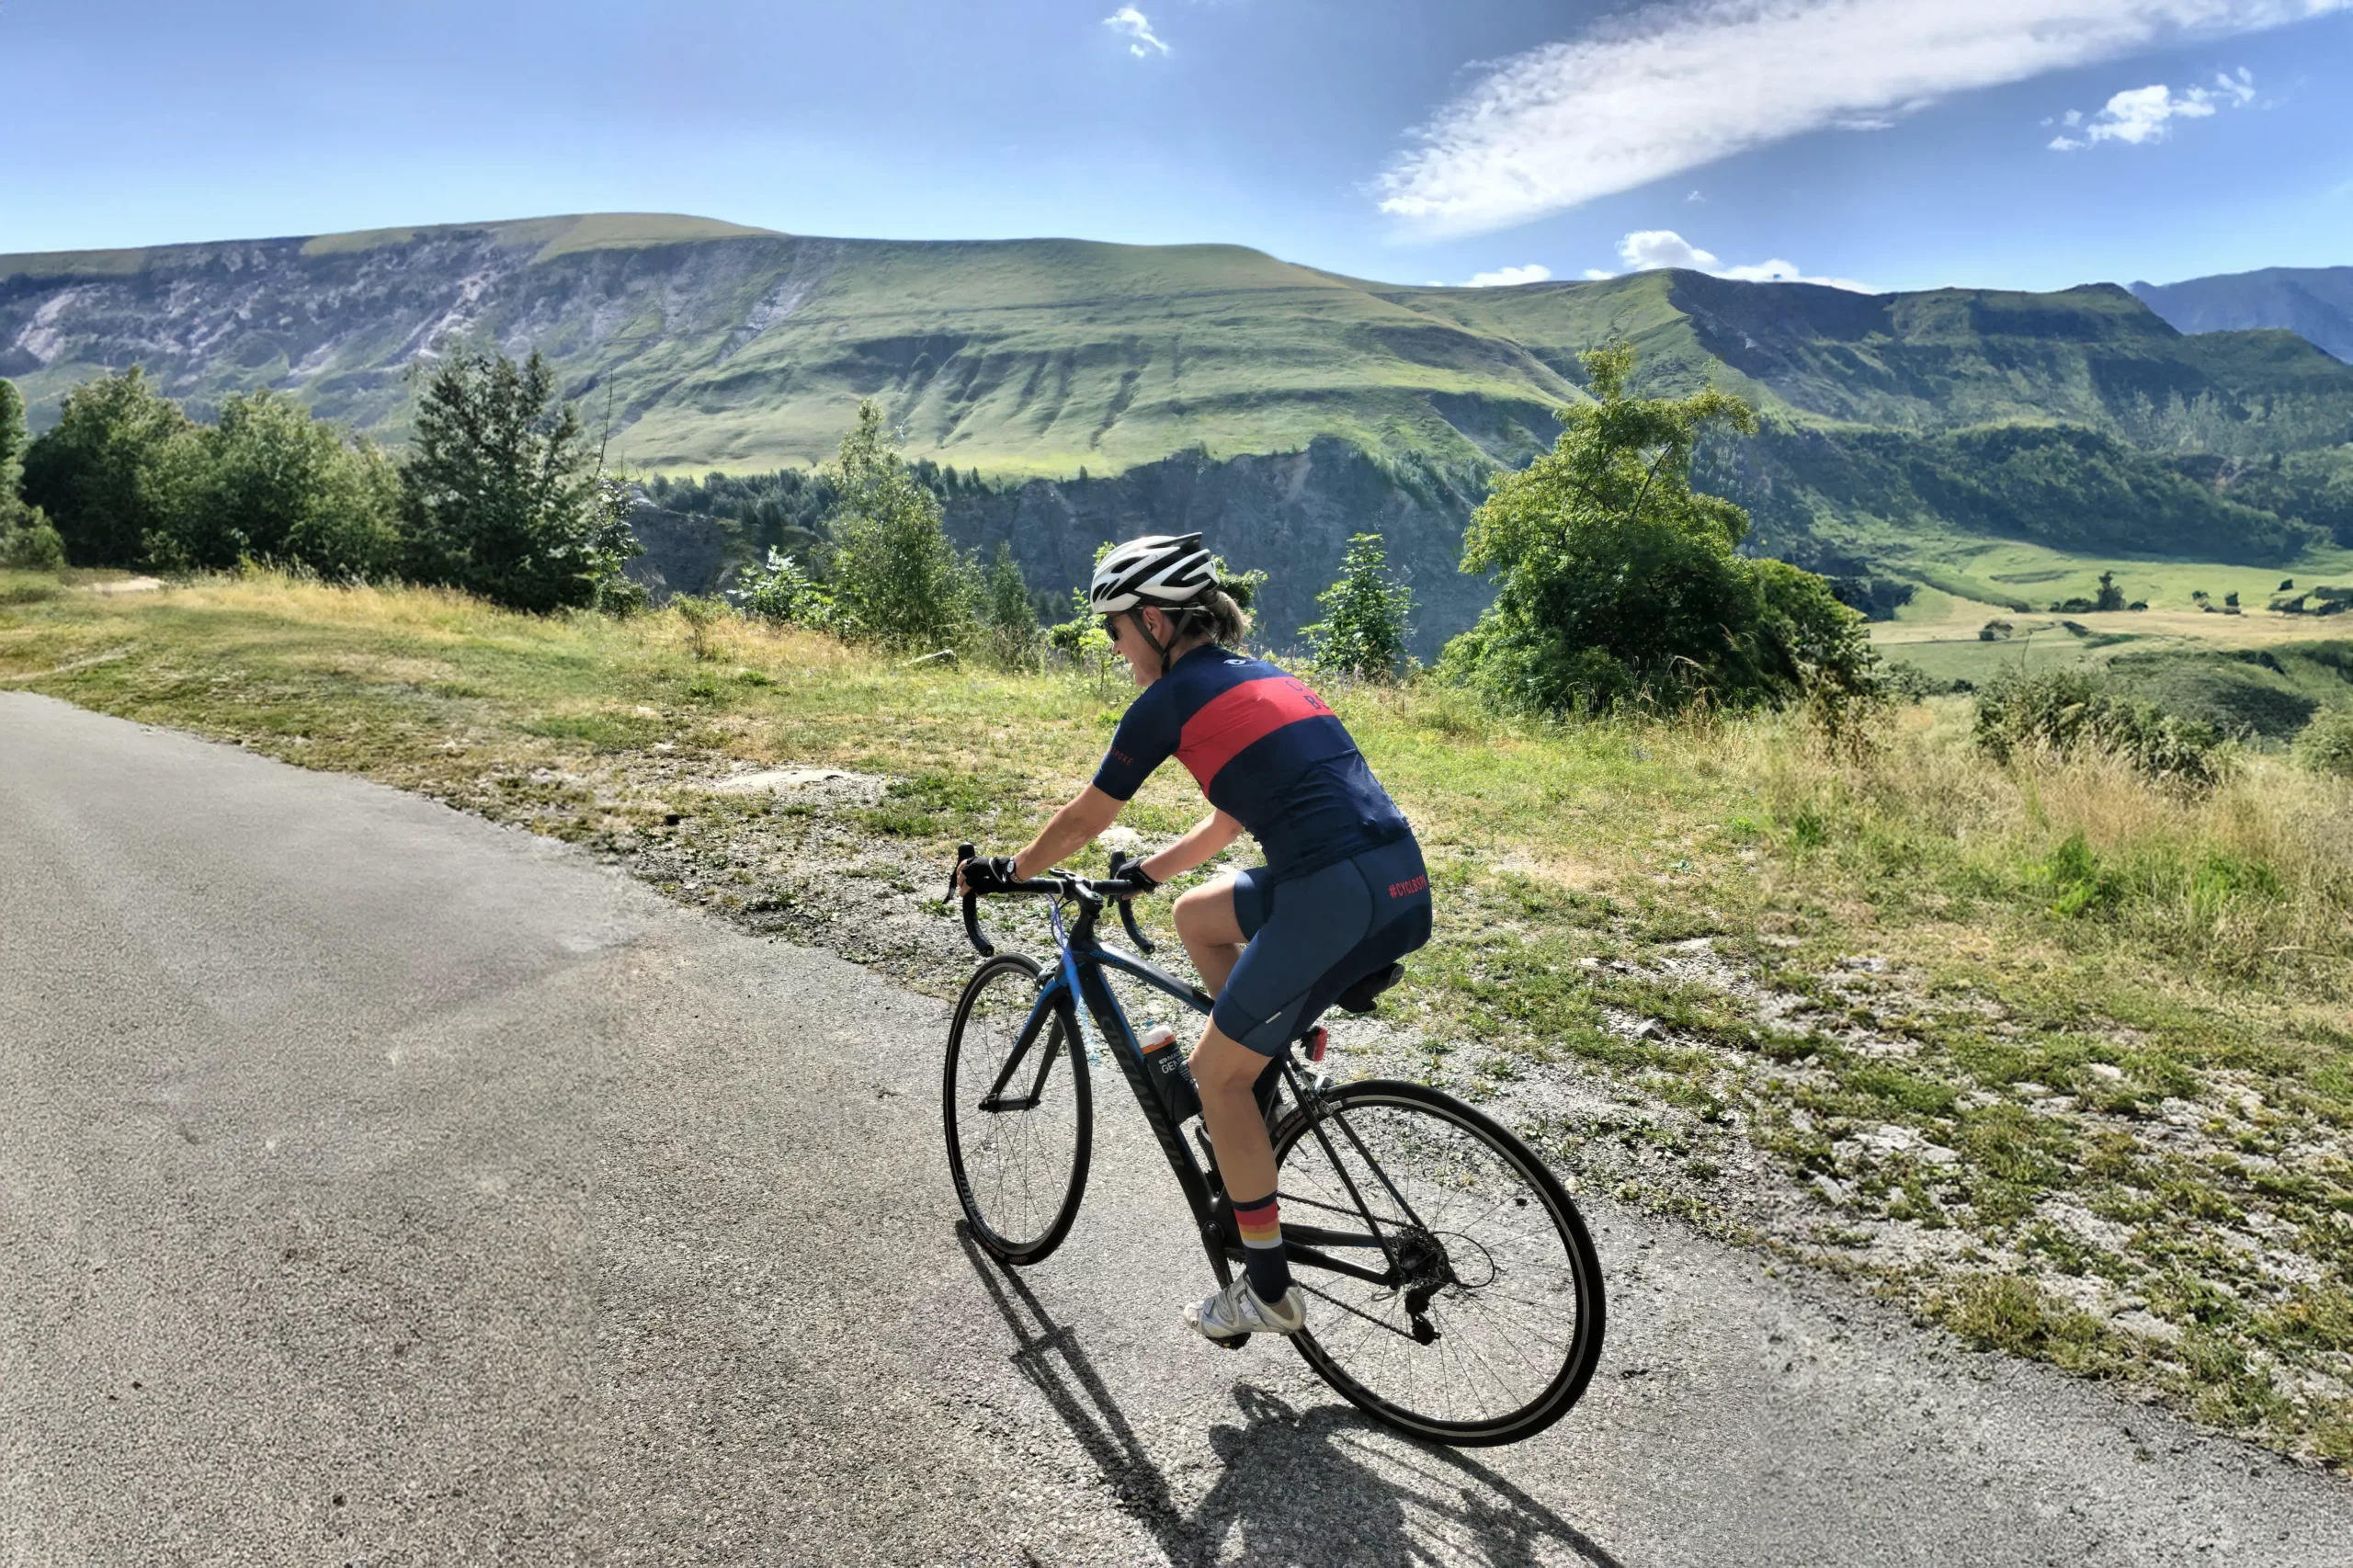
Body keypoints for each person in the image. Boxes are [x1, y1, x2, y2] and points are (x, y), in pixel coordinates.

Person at [957, 533, 1432, 1341]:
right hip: (1392, 880)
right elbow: (1228, 820)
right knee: (1197, 918)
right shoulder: (1268, 679)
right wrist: (1149, 875)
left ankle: (1269, 1289)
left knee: (1214, 1075)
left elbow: (1085, 817)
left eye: (1115, 631)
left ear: (1155, 621)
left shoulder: (1169, 702)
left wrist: (1010, 868)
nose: (1116, 649)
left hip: (1331, 896)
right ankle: (1262, 1067)